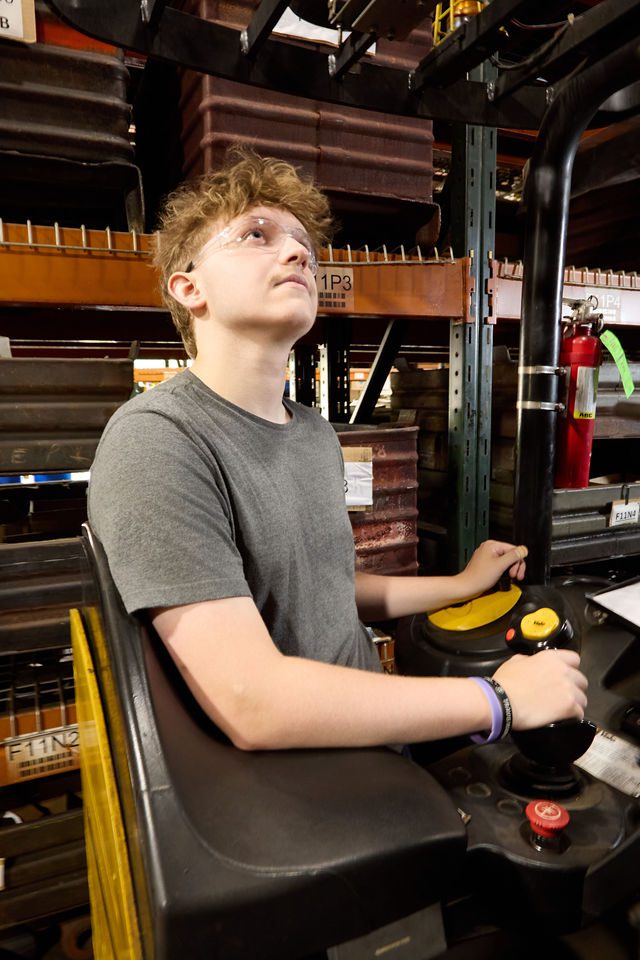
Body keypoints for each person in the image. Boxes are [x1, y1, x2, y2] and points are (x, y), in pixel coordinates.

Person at [88, 148, 587, 752]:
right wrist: (500, 701)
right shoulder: (158, 441)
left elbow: (329, 585)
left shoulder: (312, 433)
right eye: (256, 235)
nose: (298, 253)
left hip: (371, 732)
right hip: (310, 775)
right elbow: (252, 703)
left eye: (303, 244)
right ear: (190, 288)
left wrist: (461, 583)